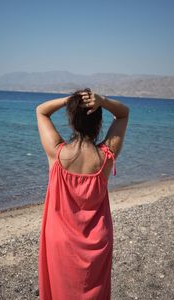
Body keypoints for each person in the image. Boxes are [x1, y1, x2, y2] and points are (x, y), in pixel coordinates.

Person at [36, 88, 130, 300]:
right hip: (98, 241)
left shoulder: (56, 153)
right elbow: (124, 113)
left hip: (59, 240)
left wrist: (71, 100)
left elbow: (41, 111)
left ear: (72, 121)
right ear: (98, 124)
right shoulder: (106, 157)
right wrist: (102, 100)